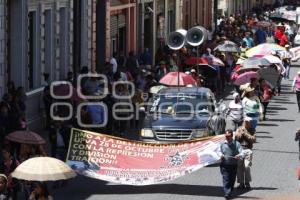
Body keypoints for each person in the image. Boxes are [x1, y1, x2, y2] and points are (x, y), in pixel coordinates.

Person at [219, 129, 244, 199]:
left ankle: (230, 191)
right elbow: (218, 151)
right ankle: (227, 193)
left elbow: (242, 152)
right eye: (226, 136)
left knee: (232, 179)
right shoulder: (222, 144)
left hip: (233, 165)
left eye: (228, 136)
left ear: (232, 136)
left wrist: (239, 155)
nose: (227, 137)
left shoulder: (237, 144)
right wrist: (220, 155)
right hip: (225, 165)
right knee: (226, 179)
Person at [235, 120, 256, 190]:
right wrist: (240, 133)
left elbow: (253, 139)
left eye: (248, 122)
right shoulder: (239, 129)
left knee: (247, 166)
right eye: (245, 122)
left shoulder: (252, 130)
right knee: (239, 167)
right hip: (240, 150)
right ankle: (241, 183)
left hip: (248, 150)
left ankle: (247, 183)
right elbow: (236, 138)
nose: (246, 123)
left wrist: (246, 134)